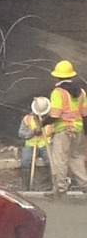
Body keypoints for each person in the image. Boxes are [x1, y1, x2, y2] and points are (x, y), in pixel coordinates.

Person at [40, 59, 87, 198]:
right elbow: (85, 115)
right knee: (75, 157)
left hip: (63, 131)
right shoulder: (82, 92)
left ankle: (60, 188)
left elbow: (55, 115)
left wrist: (43, 122)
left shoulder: (58, 92)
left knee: (60, 159)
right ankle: (85, 185)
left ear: (57, 76)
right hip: (78, 130)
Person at [18, 96, 53, 191]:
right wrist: (32, 132)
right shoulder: (27, 119)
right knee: (25, 162)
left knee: (52, 162)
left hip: (45, 145)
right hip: (30, 145)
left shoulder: (51, 119)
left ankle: (50, 185)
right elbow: (21, 133)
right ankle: (26, 186)